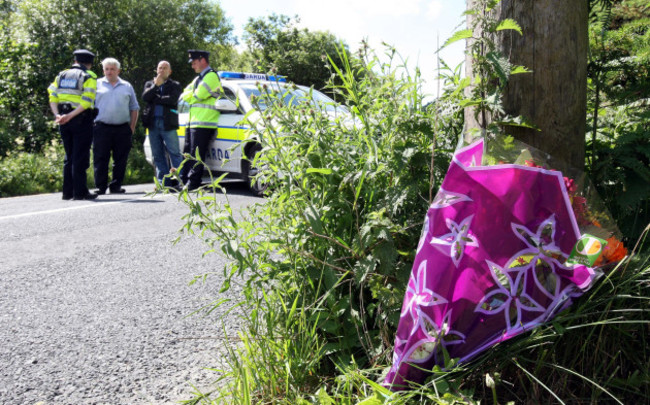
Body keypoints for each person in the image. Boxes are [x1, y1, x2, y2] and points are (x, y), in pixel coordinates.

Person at [47, 49, 98, 201]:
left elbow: (52, 95)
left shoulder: (61, 75)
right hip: (79, 119)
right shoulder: (89, 76)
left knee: (69, 156)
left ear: (75, 61)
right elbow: (87, 100)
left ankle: (67, 192)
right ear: (89, 63)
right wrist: (70, 116)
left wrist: (58, 115)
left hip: (62, 118)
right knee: (80, 156)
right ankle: (80, 192)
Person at [93, 57, 140, 194]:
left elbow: (134, 107)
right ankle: (100, 187)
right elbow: (88, 105)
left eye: (112, 69)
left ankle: (116, 186)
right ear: (103, 70)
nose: (109, 71)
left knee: (120, 159)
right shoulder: (96, 84)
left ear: (118, 71)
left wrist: (132, 127)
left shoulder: (127, 86)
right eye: (106, 69)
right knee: (100, 157)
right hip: (101, 127)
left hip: (122, 128)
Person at [179, 49, 222, 190]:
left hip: (205, 122)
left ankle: (193, 182)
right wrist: (193, 94)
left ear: (203, 60)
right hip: (193, 122)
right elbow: (184, 94)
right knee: (189, 154)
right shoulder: (198, 79)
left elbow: (197, 96)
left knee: (196, 155)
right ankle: (185, 180)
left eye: (194, 62)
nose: (192, 66)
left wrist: (192, 95)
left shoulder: (211, 76)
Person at [141, 61, 183, 188]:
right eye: (160, 68)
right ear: (156, 70)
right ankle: (164, 182)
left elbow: (172, 99)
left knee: (174, 153)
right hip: (153, 124)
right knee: (157, 155)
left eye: (165, 68)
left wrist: (157, 98)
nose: (162, 70)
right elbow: (145, 97)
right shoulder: (149, 84)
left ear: (169, 72)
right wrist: (155, 86)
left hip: (168, 124)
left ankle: (179, 181)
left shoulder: (175, 85)